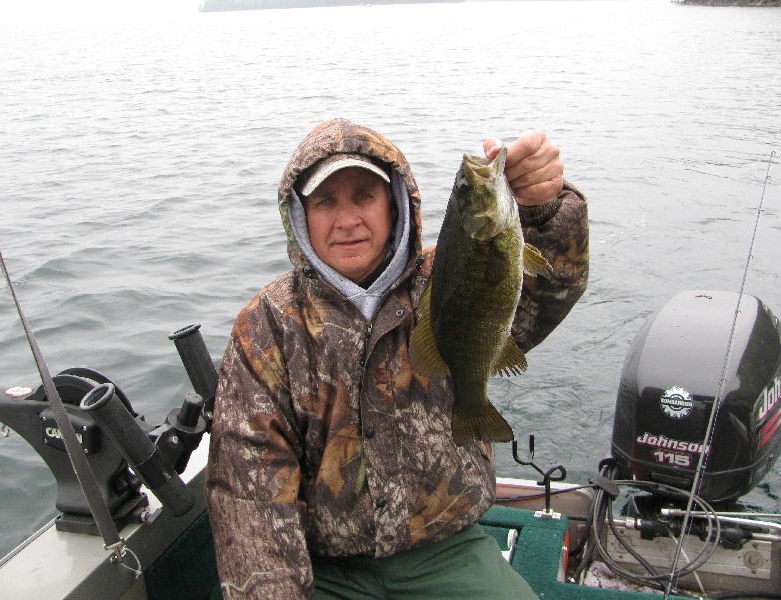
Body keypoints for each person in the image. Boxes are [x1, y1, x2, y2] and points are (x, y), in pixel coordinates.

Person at [205, 118, 589, 599]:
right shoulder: (266, 328)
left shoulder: (445, 274)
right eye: (325, 201)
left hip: (445, 549)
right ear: (300, 214)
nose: (346, 221)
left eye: (363, 196)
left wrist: (543, 208)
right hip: (321, 567)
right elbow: (251, 501)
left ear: (395, 203)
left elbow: (550, 286)